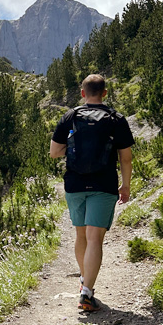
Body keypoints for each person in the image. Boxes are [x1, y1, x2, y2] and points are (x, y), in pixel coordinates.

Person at [50, 74, 134, 312]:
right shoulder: (116, 119)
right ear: (105, 93)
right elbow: (125, 158)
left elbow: (54, 152)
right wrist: (125, 185)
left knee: (81, 236)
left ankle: (84, 283)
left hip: (75, 184)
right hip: (103, 185)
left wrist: (77, 146)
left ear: (83, 93)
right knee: (95, 238)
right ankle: (87, 293)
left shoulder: (71, 116)